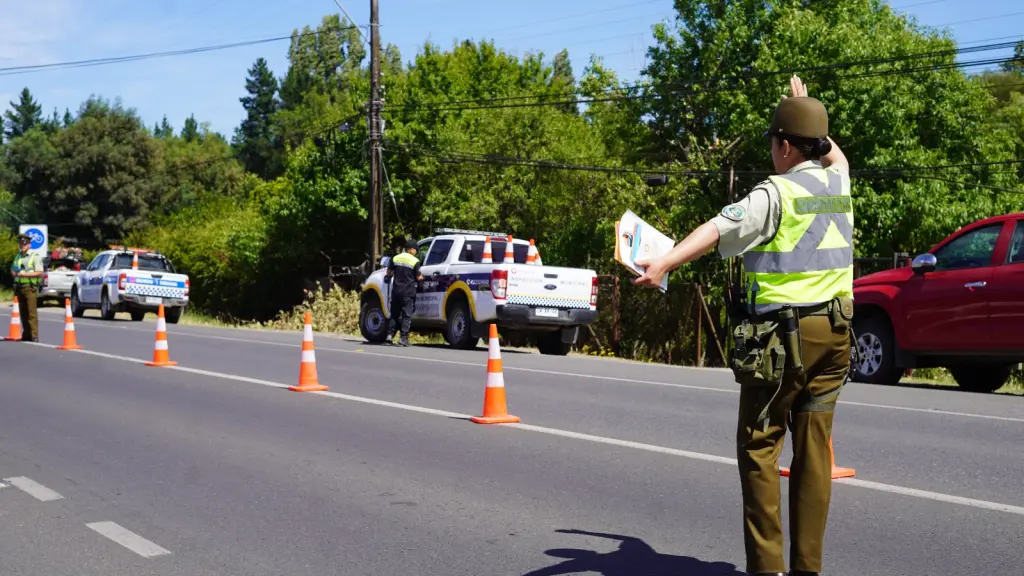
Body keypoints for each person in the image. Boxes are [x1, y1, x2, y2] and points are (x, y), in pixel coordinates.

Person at [633, 75, 852, 576]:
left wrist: (664, 262)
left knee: (759, 448)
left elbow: (717, 228)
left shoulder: (773, 193)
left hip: (784, 341)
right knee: (814, 452)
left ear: (782, 145)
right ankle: (806, 569)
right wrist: (804, 110)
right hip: (836, 336)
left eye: (775, 141)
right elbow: (833, 153)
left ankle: (767, 570)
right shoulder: (838, 181)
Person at [386, 238, 423, 347]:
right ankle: (403, 338)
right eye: (416, 250)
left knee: (394, 314)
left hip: (396, 291)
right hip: (408, 292)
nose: (416, 252)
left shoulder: (396, 258)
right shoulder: (415, 261)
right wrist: (421, 278)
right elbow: (418, 276)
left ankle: (389, 335)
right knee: (407, 315)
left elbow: (389, 272)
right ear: (411, 250)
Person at [11, 232, 44, 342]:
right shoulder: (18, 256)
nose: (22, 246)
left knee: (31, 312)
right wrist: (14, 273)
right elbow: (13, 268)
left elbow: (39, 272)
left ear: (29, 245)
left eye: (24, 244)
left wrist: (24, 274)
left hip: (30, 287)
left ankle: (34, 335)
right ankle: (26, 334)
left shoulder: (35, 257)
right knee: (23, 312)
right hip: (19, 287)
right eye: (20, 244)